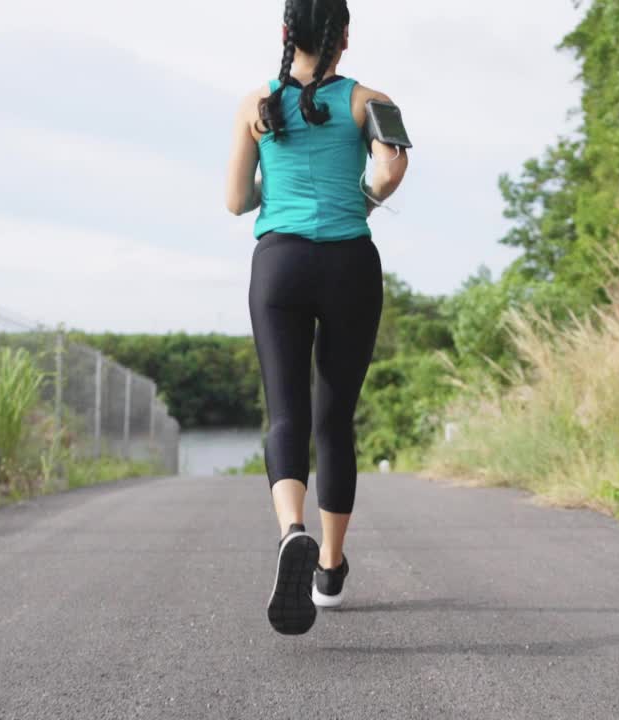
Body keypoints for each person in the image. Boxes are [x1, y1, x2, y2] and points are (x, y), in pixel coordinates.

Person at [223, 0, 410, 636]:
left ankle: (291, 532)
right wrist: (359, 195)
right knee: (334, 420)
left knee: (285, 413)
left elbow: (234, 202)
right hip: (350, 264)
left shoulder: (256, 104)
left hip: (278, 266)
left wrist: (272, 187)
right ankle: (328, 569)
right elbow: (391, 167)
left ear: (284, 34)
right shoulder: (371, 100)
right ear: (345, 37)